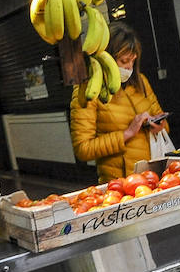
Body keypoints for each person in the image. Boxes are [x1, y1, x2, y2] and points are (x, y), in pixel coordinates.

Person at [69, 21, 168, 181]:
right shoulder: (88, 90)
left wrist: (159, 125)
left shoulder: (141, 81)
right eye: (123, 61)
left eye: (133, 60)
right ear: (107, 57)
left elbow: (162, 122)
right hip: (120, 183)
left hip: (154, 175)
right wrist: (127, 133)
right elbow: (83, 149)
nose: (129, 67)